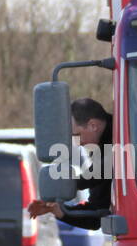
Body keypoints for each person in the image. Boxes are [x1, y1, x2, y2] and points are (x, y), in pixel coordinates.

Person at [25, 97, 113, 230]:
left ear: (93, 125)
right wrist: (60, 211)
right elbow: (96, 217)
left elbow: (104, 169)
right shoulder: (100, 150)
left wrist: (65, 187)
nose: (78, 143)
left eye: (77, 135)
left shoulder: (131, 133)